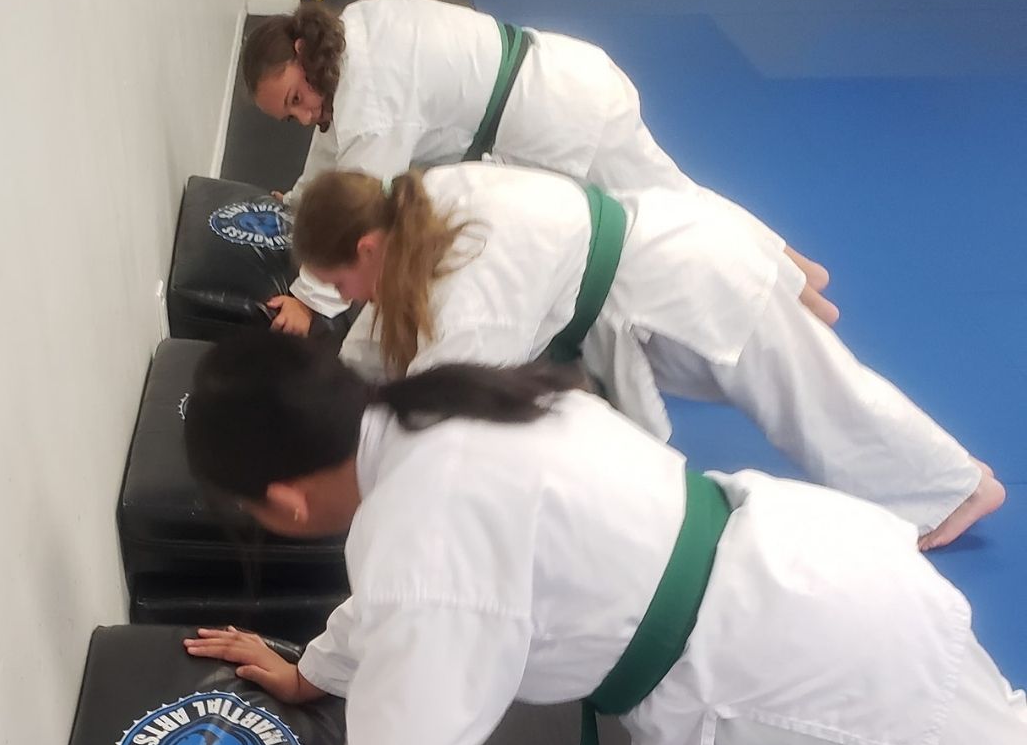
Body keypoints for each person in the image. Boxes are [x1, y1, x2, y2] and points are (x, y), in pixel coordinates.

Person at [135, 332, 1027, 745]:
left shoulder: (420, 531)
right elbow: (402, 612)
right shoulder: (431, 409)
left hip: (818, 668)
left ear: (284, 503)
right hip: (821, 570)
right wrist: (311, 673)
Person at [289, 162, 1001, 550]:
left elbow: (444, 402)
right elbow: (389, 345)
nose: (351, 300)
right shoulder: (424, 197)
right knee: (799, 396)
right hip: (657, 272)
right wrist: (337, 381)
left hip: (689, 281)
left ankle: (960, 486)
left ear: (368, 248)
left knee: (819, 406)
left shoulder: (474, 288)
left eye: (341, 284)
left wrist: (354, 465)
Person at [240, 0, 838, 330]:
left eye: (294, 98)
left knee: (677, 212)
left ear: (300, 51)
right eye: (286, 115)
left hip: (571, 118)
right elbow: (330, 133)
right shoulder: (349, 32)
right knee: (679, 197)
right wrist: (296, 199)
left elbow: (358, 199)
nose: (300, 115)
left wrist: (309, 298)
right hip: (562, 79)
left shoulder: (374, 100)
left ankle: (795, 295)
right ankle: (798, 268)